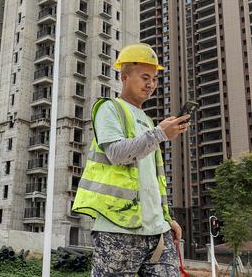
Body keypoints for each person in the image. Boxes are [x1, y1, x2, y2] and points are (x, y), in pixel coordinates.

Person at [72, 43, 190, 276]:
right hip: (118, 229)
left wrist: (167, 219)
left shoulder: (147, 120)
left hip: (158, 232)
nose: (151, 84)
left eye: (154, 79)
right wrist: (160, 133)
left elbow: (152, 180)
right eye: (145, 77)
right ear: (125, 77)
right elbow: (116, 154)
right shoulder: (109, 109)